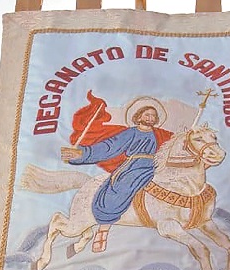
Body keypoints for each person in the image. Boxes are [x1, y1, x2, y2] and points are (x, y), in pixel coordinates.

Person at [60, 97, 170, 253]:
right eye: (147, 115)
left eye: (153, 115)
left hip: (156, 166)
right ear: (138, 116)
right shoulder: (131, 132)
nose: (150, 118)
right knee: (121, 189)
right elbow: (109, 147)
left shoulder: (160, 134)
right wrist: (81, 154)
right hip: (134, 168)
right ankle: (104, 228)